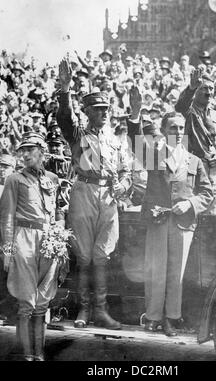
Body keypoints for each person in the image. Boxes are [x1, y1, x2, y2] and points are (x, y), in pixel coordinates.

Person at [127, 87, 213, 337]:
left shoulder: (194, 161)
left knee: (176, 273)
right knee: (156, 270)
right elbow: (135, 144)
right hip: (158, 220)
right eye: (172, 128)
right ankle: (152, 316)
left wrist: (190, 203)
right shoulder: (155, 155)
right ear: (164, 131)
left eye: (180, 128)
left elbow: (206, 193)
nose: (177, 131)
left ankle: (172, 318)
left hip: (183, 223)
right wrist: (135, 114)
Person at [56, 58, 131, 331]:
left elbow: (126, 171)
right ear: (86, 111)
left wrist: (124, 185)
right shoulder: (78, 135)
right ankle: (84, 309)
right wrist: (65, 90)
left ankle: (101, 309)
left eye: (106, 109)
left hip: (109, 197)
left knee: (103, 255)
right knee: (84, 255)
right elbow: (65, 118)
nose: (103, 113)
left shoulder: (115, 140)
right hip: (84, 191)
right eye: (98, 109)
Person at [0, 132, 64, 361]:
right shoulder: (14, 179)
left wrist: (59, 236)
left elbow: (58, 211)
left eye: (30, 149)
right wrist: (8, 252)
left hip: (48, 241)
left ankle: (39, 354)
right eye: (22, 150)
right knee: (26, 300)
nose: (24, 154)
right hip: (23, 238)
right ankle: (25, 354)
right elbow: (6, 217)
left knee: (43, 300)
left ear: (42, 152)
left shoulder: (53, 179)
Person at [176, 69, 216, 214]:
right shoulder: (189, 112)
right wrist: (191, 88)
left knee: (214, 216)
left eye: (211, 88)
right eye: (204, 88)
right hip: (196, 172)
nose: (209, 92)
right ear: (196, 91)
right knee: (195, 214)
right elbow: (180, 106)